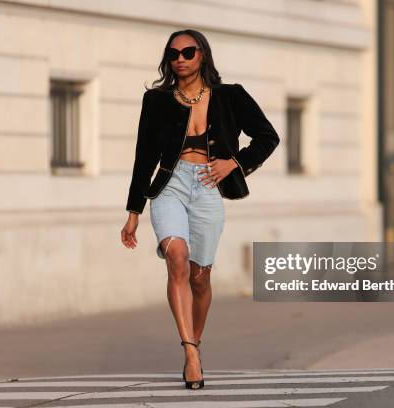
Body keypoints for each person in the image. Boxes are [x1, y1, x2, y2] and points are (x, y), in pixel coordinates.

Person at [120, 29, 280, 390]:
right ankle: (191, 353)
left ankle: (195, 341)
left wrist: (234, 163)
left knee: (200, 277)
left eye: (188, 52)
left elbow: (268, 137)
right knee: (176, 255)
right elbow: (144, 156)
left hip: (208, 188)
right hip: (169, 185)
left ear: (202, 55)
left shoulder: (230, 96)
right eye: (174, 53)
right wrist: (133, 212)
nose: (180, 58)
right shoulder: (156, 100)